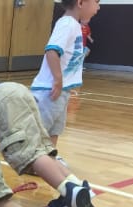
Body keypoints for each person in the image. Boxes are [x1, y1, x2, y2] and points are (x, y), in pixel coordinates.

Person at [30, 0, 100, 149]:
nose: (98, 7)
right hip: (50, 90)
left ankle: (51, 155)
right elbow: (52, 51)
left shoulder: (74, 25)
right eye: (96, 2)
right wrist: (57, 79)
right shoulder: (67, 24)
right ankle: (34, 159)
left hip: (62, 90)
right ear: (80, 2)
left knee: (55, 128)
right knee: (41, 129)